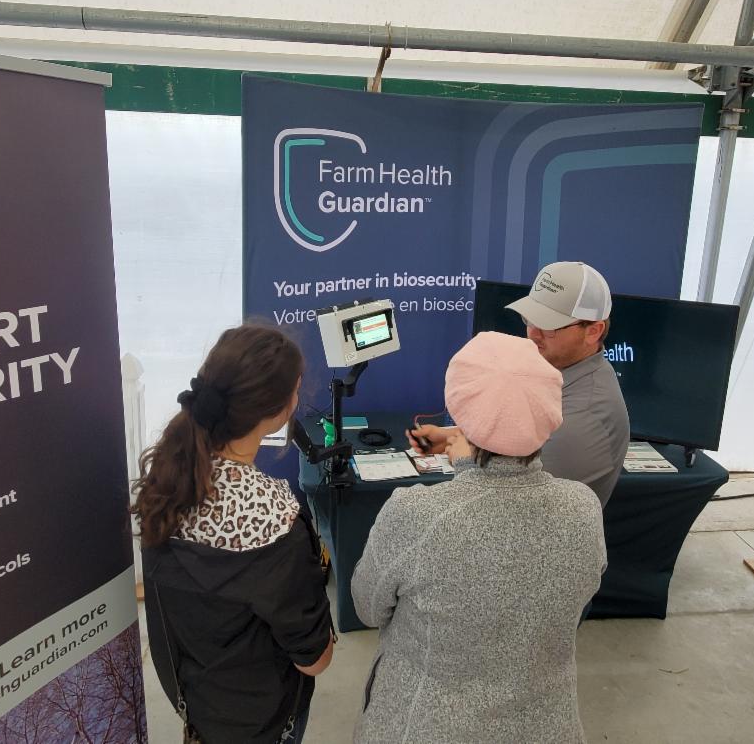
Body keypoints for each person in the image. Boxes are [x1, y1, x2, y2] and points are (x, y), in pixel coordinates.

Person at [352, 332, 607, 744]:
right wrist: (464, 451)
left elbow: (367, 609)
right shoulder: (583, 508)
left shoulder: (416, 515)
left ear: (459, 406)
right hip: (546, 727)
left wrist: (466, 464)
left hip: (425, 728)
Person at [133, 324, 333, 744]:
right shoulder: (276, 521)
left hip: (196, 705)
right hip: (264, 723)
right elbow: (314, 660)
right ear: (278, 411)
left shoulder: (166, 480)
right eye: (295, 391)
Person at [417, 261, 630, 507]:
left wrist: (463, 457)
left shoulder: (584, 417)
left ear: (593, 331)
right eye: (530, 318)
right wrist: (454, 436)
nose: (533, 334)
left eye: (549, 325)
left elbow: (506, 499)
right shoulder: (561, 371)